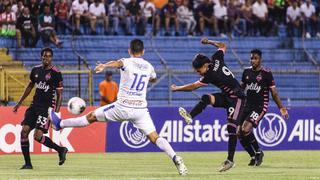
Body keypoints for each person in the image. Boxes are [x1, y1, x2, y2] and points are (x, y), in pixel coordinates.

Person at [49, 39, 188, 176]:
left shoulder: (127, 61)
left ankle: (60, 123)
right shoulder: (149, 66)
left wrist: (104, 65)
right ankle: (175, 157)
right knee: (155, 137)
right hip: (140, 110)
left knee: (91, 117)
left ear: (129, 51)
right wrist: (147, 78)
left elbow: (117, 63)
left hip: (122, 107)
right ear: (143, 51)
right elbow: (153, 78)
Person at [170, 37, 245, 172]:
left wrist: (177, 88)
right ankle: (190, 116)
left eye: (199, 71)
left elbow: (193, 86)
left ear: (205, 66)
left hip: (237, 98)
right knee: (206, 98)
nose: (198, 73)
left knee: (231, 128)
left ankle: (230, 161)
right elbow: (222, 45)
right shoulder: (216, 58)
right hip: (227, 96)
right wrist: (210, 42)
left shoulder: (210, 74)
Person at [12, 47, 68, 170]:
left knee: (37, 136)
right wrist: (19, 103)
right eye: (44, 55)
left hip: (46, 108)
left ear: (51, 58)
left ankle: (60, 149)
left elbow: (59, 94)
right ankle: (28, 164)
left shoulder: (56, 73)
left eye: (48, 56)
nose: (46, 58)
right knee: (24, 131)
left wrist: (56, 112)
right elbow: (30, 87)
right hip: (34, 106)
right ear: (41, 57)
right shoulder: (35, 70)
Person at [238, 49, 289, 166]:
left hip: (260, 106)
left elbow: (274, 93)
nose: (253, 61)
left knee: (245, 129)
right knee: (238, 132)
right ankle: (253, 155)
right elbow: (241, 88)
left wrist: (281, 108)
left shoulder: (266, 73)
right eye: (251, 58)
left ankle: (259, 151)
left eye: (255, 58)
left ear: (260, 59)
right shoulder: (246, 72)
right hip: (247, 105)